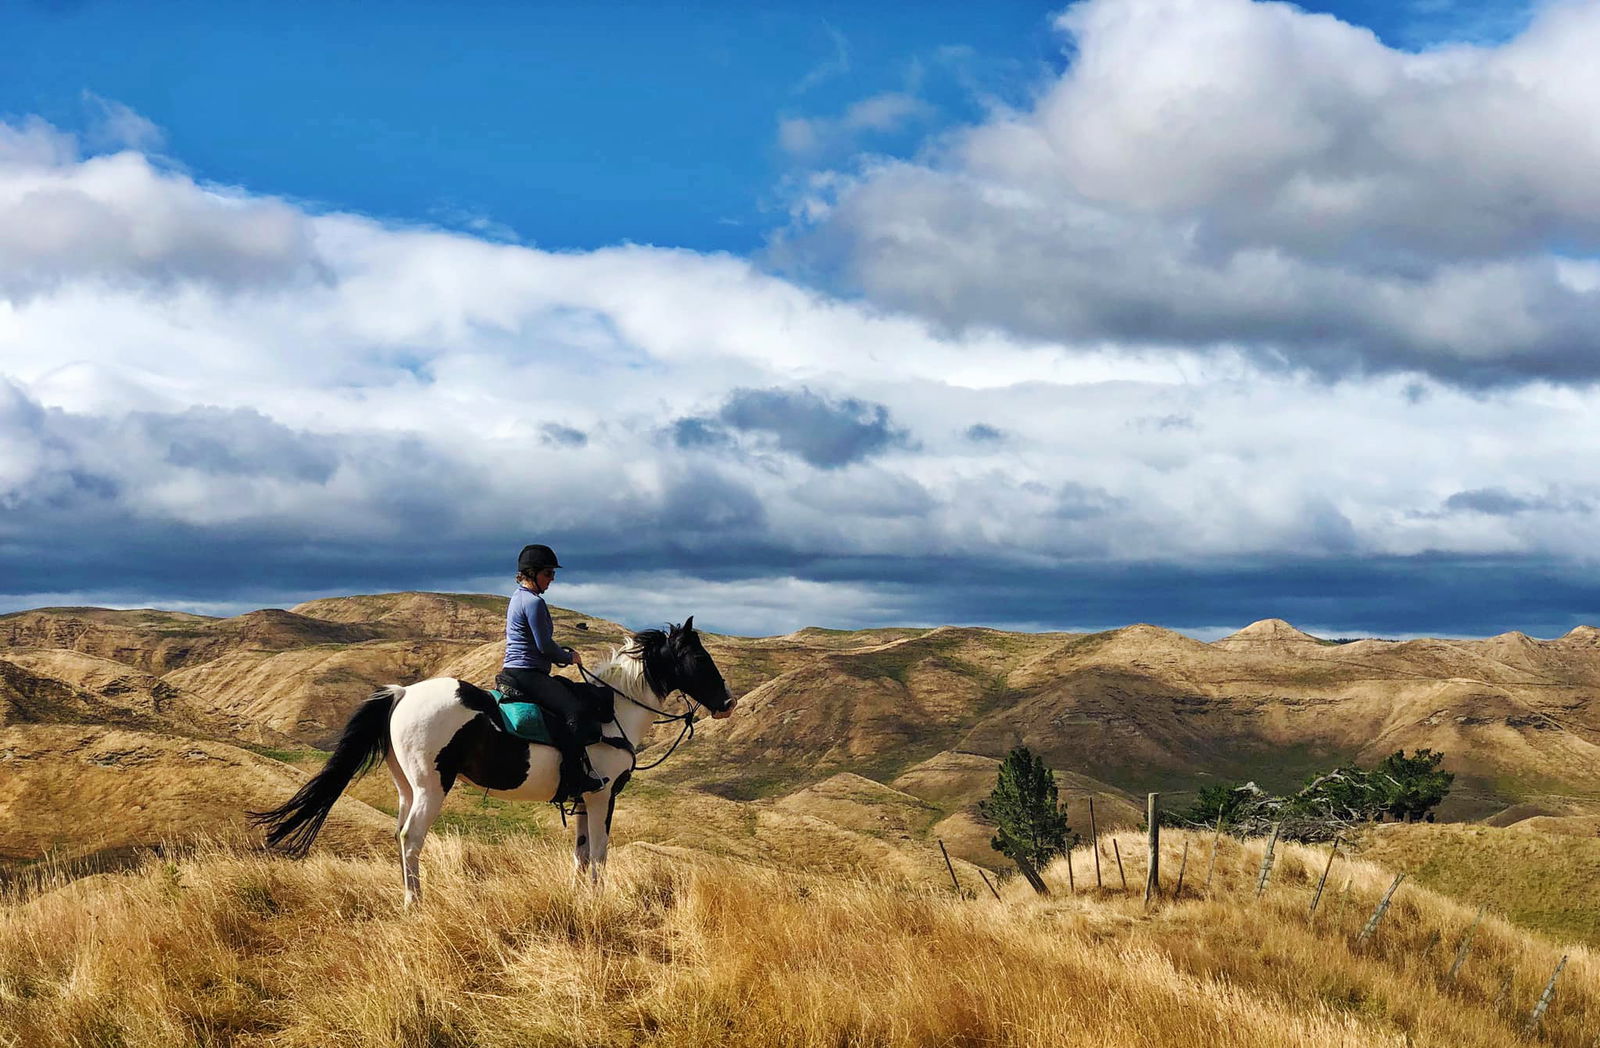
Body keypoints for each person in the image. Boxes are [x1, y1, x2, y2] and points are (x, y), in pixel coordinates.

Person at [497, 543, 605, 795]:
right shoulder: (533, 603)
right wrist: (569, 657)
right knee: (575, 712)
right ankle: (573, 778)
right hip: (527, 674)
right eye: (548, 573)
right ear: (532, 573)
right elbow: (544, 646)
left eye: (553, 574)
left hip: (518, 671)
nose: (552, 579)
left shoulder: (517, 597)